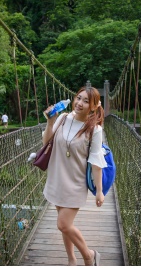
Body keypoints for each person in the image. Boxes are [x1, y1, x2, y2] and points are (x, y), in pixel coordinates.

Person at [42, 86, 108, 266]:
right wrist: (50, 122)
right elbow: (46, 141)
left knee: (63, 224)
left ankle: (89, 256)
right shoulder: (63, 118)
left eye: (86, 101)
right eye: (78, 98)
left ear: (93, 107)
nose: (79, 103)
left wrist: (100, 191)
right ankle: (71, 260)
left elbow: (96, 162)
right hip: (56, 178)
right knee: (66, 227)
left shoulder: (94, 130)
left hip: (75, 183)